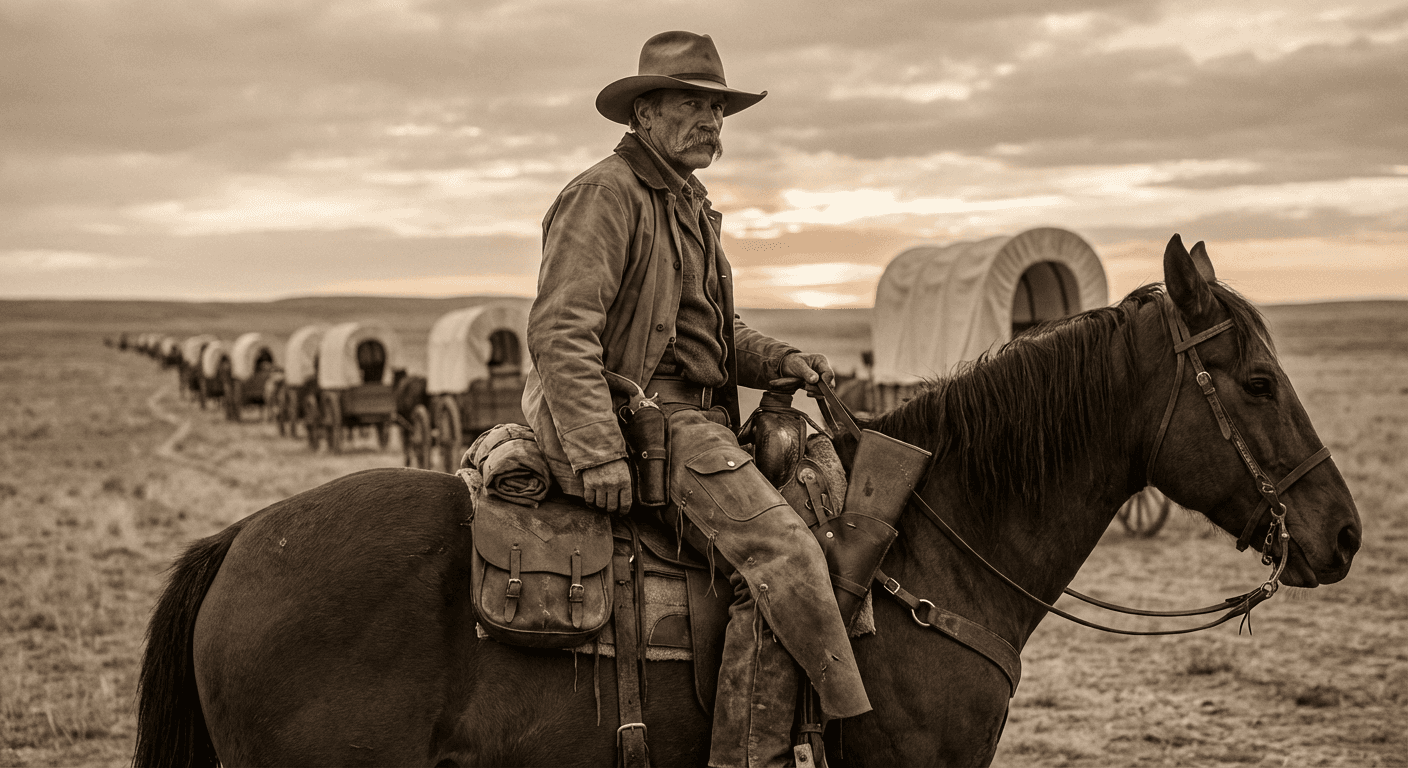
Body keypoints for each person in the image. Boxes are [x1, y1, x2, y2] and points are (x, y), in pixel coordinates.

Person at [523, 30, 871, 767]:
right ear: (643, 113)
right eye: (691, 103)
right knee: (782, 555)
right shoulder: (604, 195)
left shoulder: (690, 205)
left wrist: (781, 360)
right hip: (647, 420)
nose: (711, 120)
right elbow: (561, 331)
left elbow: (713, 333)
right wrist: (597, 450)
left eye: (717, 108)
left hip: (696, 416)